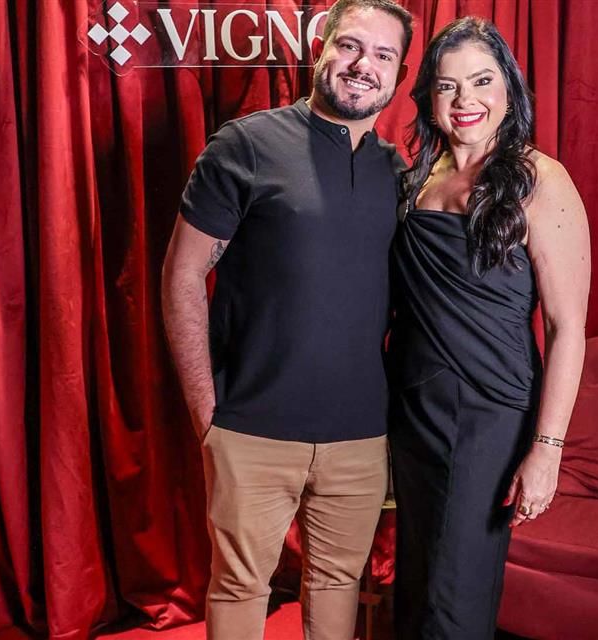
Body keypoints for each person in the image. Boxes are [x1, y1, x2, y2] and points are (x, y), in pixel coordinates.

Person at [160, 2, 412, 638]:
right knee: (240, 585)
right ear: (321, 47)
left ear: (400, 74)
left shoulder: (399, 173)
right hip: (251, 428)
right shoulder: (246, 144)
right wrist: (207, 415)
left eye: (383, 55)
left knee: (338, 584)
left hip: (360, 436)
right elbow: (182, 276)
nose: (363, 65)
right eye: (350, 46)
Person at [387, 17, 590, 640]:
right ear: (429, 97)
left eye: (481, 81)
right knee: (416, 588)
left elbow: (566, 327)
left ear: (509, 89)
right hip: (414, 412)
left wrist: (547, 450)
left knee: (454, 602)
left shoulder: (540, 179)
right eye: (448, 86)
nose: (465, 100)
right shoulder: (414, 181)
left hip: (488, 416)